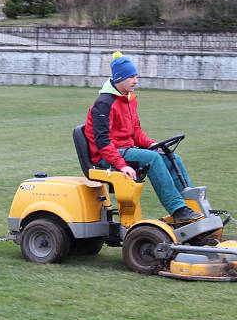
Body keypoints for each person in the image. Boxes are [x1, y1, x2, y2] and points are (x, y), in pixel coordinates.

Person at [84, 51, 203, 224]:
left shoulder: (130, 99)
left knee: (172, 157)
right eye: (132, 76)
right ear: (119, 78)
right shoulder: (104, 104)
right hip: (106, 156)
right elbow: (102, 142)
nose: (136, 80)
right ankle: (177, 210)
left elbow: (136, 132)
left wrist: (153, 144)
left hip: (126, 151)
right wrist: (121, 165)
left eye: (136, 76)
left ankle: (193, 205)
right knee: (153, 158)